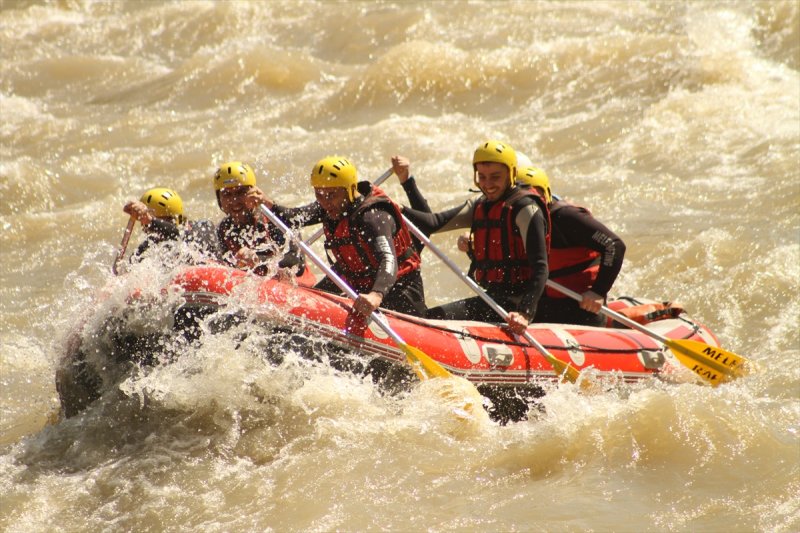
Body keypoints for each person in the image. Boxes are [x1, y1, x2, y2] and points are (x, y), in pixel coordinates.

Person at [402, 140, 550, 335]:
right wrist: (398, 208)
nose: (487, 184)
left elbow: (540, 265)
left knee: (433, 320)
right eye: (482, 176)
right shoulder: (479, 205)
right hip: (492, 298)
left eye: (495, 177)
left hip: (517, 303)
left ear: (511, 174)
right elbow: (433, 222)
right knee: (429, 317)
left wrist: (525, 312)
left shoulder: (525, 209)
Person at [261, 156, 426, 319]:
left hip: (398, 287)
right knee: (308, 303)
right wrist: (269, 205)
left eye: (331, 194)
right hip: (354, 280)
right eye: (319, 194)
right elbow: (294, 217)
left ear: (350, 189)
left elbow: (388, 259)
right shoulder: (329, 206)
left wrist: (376, 295)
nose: (325, 202)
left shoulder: (373, 217)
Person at [515, 165, 626, 326]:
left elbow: (614, 245)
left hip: (579, 307)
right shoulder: (516, 218)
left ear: (545, 195)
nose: (528, 205)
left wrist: (598, 291)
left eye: (532, 197)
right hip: (543, 301)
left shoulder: (566, 218)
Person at [213, 161, 306, 277]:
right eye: (227, 194)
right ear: (219, 198)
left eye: (241, 192)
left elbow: (296, 262)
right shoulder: (224, 229)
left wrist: (257, 259)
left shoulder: (274, 219)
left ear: (253, 192)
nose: (234, 201)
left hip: (289, 284)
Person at [123, 187, 218, 263]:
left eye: (161, 222)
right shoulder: (146, 249)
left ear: (175, 220)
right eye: (146, 225)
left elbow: (179, 234)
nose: (155, 230)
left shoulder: (203, 228)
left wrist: (151, 221)